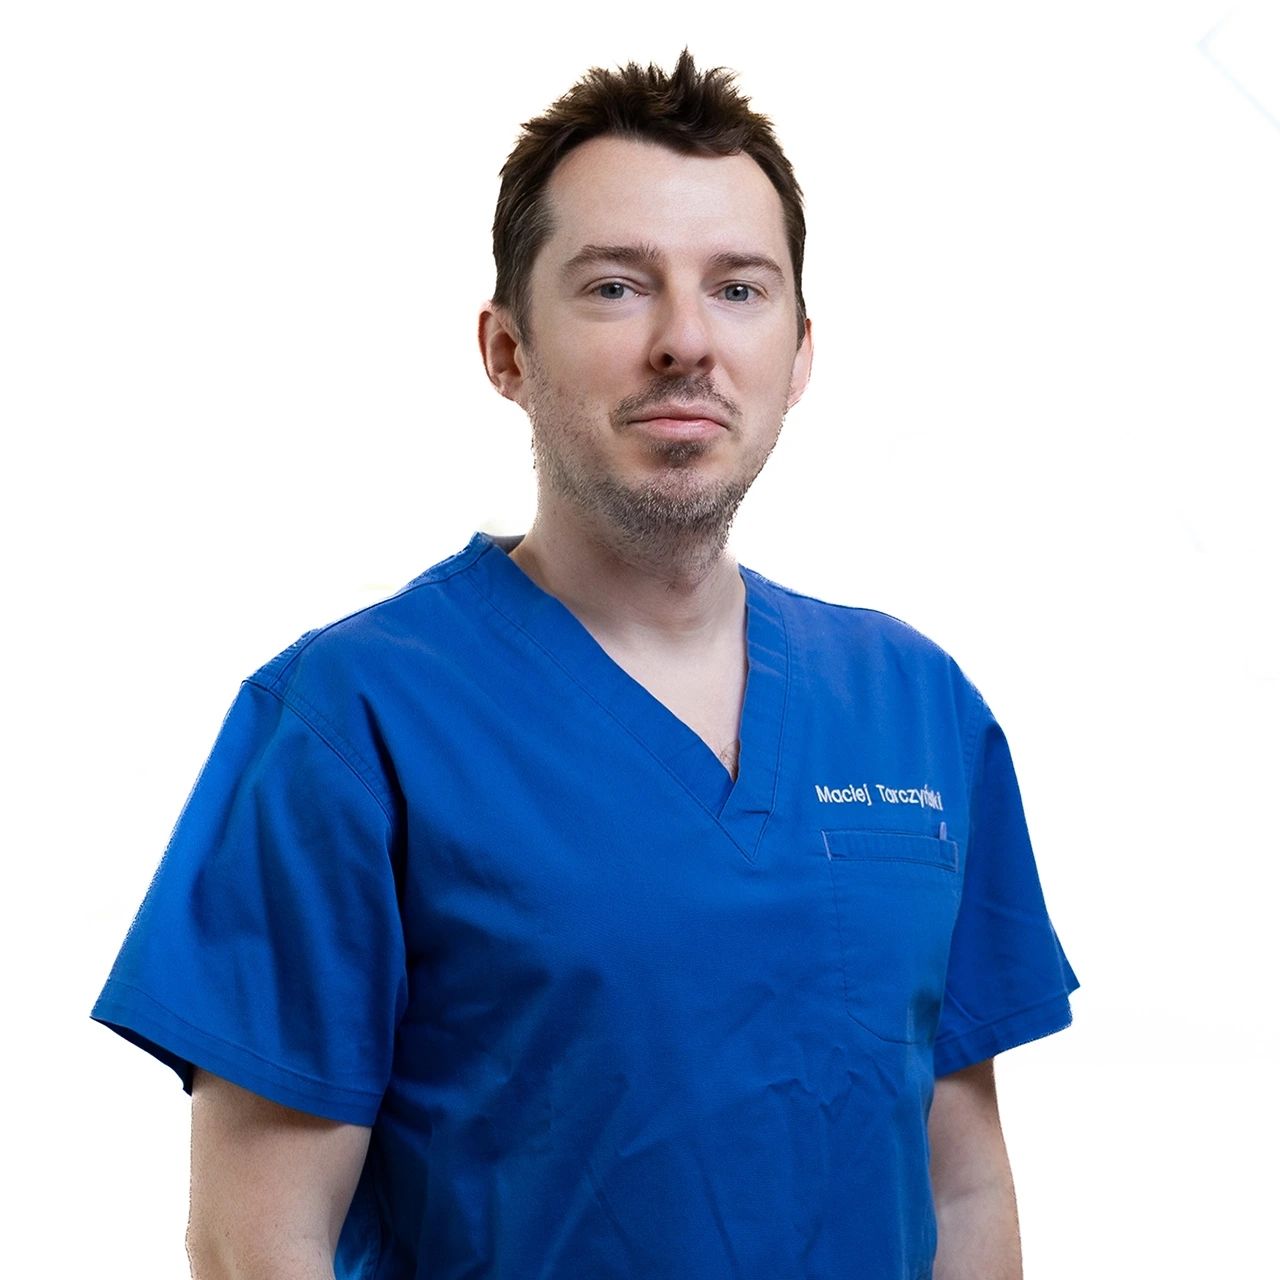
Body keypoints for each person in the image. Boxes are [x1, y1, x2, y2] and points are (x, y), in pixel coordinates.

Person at [92, 49, 1079, 1280]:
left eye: (738, 288)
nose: (685, 341)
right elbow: (257, 1241)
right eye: (616, 287)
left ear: (798, 354)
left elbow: (962, 1182)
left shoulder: (913, 706)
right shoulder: (351, 721)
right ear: (506, 349)